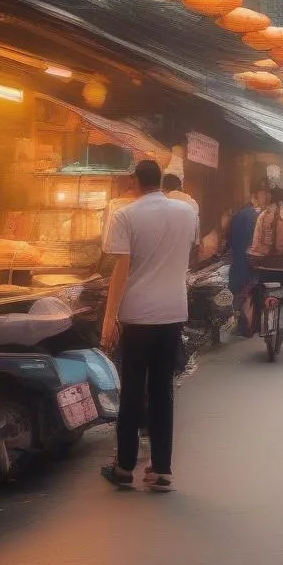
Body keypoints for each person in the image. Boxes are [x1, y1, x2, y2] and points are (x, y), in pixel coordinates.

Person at [99, 160, 198, 493]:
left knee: (131, 392)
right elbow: (187, 252)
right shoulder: (187, 213)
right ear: (161, 181)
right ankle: (161, 470)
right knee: (162, 392)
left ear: (133, 181)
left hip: (138, 316)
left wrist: (110, 317)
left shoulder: (125, 215)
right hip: (172, 313)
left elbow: (121, 270)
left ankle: (125, 467)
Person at [247, 186, 283, 335]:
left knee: (258, 291)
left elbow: (256, 243)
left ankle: (255, 323)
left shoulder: (262, 216)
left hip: (265, 266)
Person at [227, 179, 269, 336]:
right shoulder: (258, 216)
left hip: (238, 260)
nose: (265, 198)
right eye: (263, 194)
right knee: (252, 292)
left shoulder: (238, 214)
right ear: (256, 195)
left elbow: (229, 239)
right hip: (252, 260)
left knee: (242, 292)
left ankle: (244, 324)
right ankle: (251, 324)